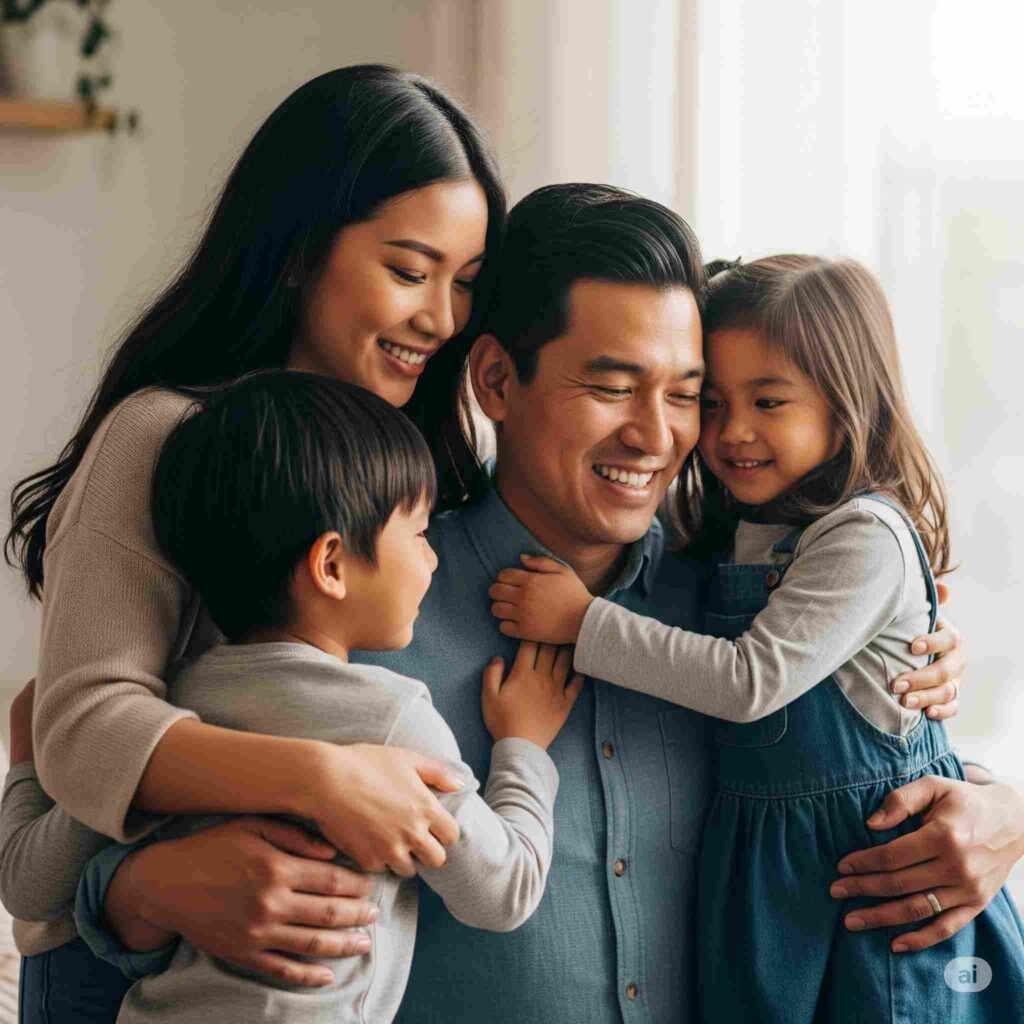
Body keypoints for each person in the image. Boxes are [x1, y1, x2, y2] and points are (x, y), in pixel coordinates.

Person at [75, 186, 992, 1024]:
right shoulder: (358, 610)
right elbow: (80, 852)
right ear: (496, 382)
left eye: (687, 396)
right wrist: (142, 892)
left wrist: (995, 813)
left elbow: (857, 763)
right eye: (612, 387)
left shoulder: (739, 608)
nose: (655, 434)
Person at [1, 63, 503, 1020]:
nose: (441, 318)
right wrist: (324, 780)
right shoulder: (163, 435)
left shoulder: (427, 467)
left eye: (466, 284)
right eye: (409, 271)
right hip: (114, 981)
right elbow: (84, 731)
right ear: (299, 251)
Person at [487, 254, 1024, 1020]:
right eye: (711, 402)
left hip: (869, 883)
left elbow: (749, 681)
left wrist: (582, 621)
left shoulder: (863, 534)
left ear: (848, 403)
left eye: (769, 402)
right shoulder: (725, 540)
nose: (732, 431)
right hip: (764, 880)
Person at [108, 370, 578, 1021]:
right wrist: (524, 747)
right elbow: (503, 891)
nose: (432, 560)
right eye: (419, 535)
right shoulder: (389, 719)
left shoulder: (176, 702)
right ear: (331, 565)